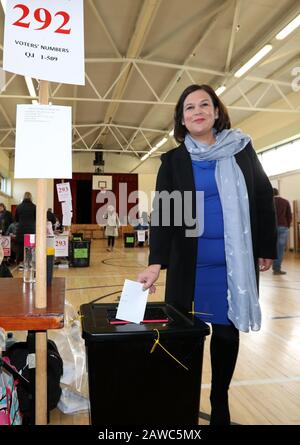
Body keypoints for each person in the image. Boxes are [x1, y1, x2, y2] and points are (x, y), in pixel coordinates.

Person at [138, 84, 277, 425]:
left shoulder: (241, 150)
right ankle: (184, 397)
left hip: (234, 265)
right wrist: (156, 264)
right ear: (182, 120)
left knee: (227, 335)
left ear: (216, 112)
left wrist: (266, 248)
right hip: (192, 267)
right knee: (186, 336)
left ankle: (220, 397)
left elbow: (261, 197)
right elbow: (167, 215)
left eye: (205, 104)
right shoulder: (174, 161)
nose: (197, 110)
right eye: (189, 107)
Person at [272, 188, 292, 275]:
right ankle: (276, 268)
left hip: (271, 227)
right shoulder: (285, 201)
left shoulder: (268, 201)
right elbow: (289, 215)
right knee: (280, 249)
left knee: (270, 247)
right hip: (282, 226)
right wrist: (287, 225)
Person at [15, 192, 36, 264]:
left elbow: (16, 219)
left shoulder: (18, 207)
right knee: (30, 247)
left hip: (21, 229)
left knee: (21, 246)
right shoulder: (34, 207)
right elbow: (36, 218)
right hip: (31, 230)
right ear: (31, 197)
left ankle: (21, 262)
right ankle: (29, 262)